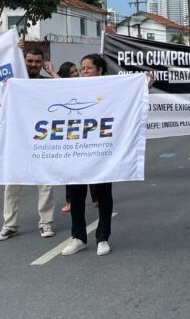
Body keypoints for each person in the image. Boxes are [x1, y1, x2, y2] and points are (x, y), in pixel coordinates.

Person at [0, 47, 56, 242]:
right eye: (30, 61)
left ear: (43, 63)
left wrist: (52, 73)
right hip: (17, 142)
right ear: (24, 61)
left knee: (45, 183)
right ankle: (9, 225)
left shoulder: (48, 84)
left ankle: (46, 223)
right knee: (11, 184)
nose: (34, 65)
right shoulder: (13, 84)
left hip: (41, 141)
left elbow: (67, 90)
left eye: (38, 62)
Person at [60, 54, 118, 257]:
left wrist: (144, 85)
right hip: (75, 151)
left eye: (88, 69)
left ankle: (103, 238)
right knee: (76, 195)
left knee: (102, 195)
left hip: (100, 151)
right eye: (81, 68)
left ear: (100, 70)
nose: (83, 72)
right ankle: (78, 237)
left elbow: (130, 98)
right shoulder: (73, 89)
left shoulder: (111, 89)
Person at [50, 61, 99, 214]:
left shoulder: (85, 85)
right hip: (70, 134)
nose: (77, 74)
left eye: (77, 71)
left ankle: (97, 197)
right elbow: (63, 85)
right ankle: (71, 201)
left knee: (92, 166)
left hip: (88, 131)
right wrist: (52, 72)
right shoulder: (63, 89)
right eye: (72, 72)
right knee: (70, 170)